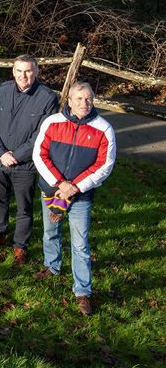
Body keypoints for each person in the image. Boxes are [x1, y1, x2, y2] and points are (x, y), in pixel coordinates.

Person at [32, 82, 116, 316]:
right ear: (69, 100)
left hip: (80, 196)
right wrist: (60, 184)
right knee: (51, 231)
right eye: (78, 99)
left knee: (80, 243)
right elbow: (39, 154)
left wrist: (76, 187)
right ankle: (53, 265)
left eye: (88, 99)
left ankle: (83, 291)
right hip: (52, 191)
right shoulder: (52, 122)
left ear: (94, 100)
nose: (84, 103)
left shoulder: (104, 129)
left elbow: (104, 166)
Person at [0, 55, 59, 265]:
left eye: (28, 71)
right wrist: (1, 153)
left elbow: (42, 135)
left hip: (26, 165)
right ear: (13, 71)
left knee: (24, 206)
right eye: (19, 71)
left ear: (37, 72)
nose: (23, 76)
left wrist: (16, 156)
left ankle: (20, 245)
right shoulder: (2, 91)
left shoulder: (47, 98)